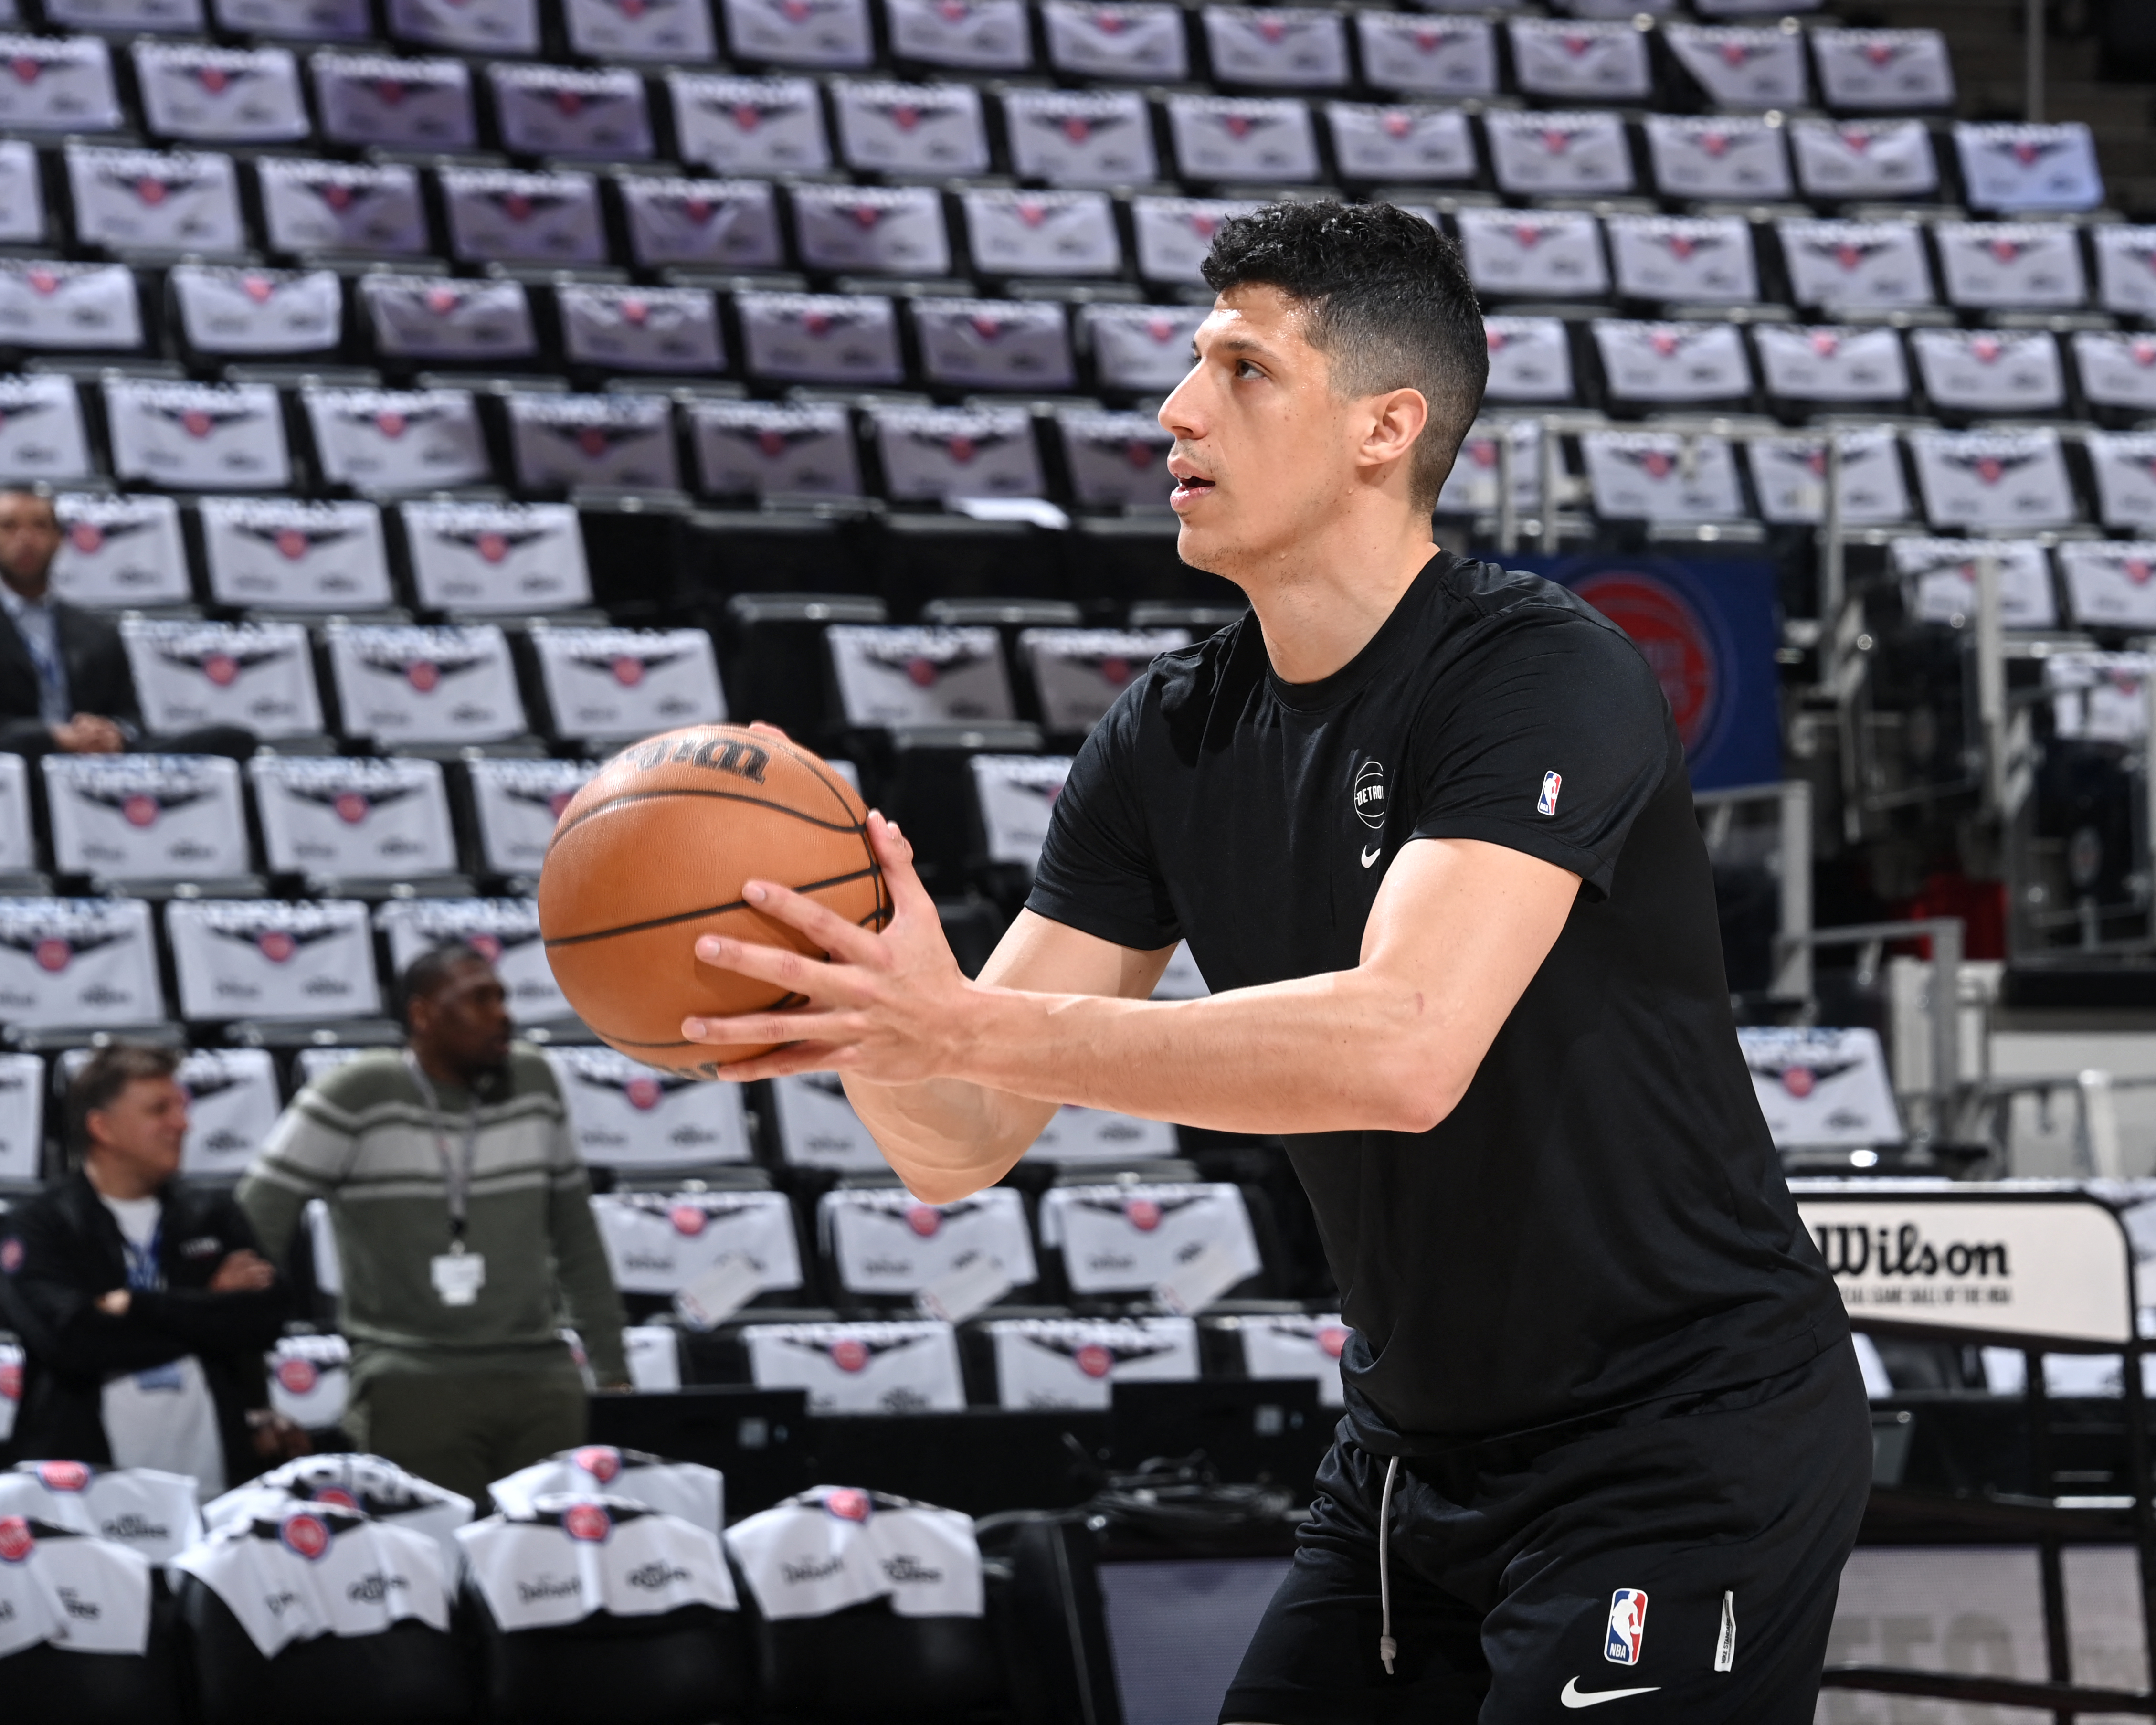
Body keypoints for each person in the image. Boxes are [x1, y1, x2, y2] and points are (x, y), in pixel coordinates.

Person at [680, 203, 1870, 1723]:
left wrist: (964, 1021)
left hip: (1677, 1441)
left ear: (1385, 426)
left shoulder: (1535, 670)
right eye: (1189, 364)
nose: (1175, 408)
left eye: (1241, 370)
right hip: (1411, 1453)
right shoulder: (1166, 732)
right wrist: (859, 1009)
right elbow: (957, 1146)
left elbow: (1399, 1048)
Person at [238, 942, 631, 1506]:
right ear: (421, 1014)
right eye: (478, 999)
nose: (502, 1014)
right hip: (410, 1374)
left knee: (551, 1571)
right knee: (434, 1568)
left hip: (539, 1372)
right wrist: (250, 1375)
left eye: (501, 997)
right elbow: (256, 1220)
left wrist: (612, 1373)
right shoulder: (358, 1093)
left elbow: (576, 1233)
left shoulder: (534, 1080)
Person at [0, 1044, 304, 1493]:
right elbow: (73, 1340)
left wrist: (131, 1306)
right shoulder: (37, 1225)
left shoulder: (213, 1213)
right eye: (160, 1109)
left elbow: (264, 1316)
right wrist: (210, 1304)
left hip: (215, 1478)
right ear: (102, 1127)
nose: (183, 1123)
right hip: (82, 1487)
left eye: (181, 1107)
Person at [0, 485, 250, 760]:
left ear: (60, 538)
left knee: (231, 740)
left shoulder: (97, 631)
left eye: (39, 526)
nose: (26, 538)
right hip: (17, 765)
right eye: (9, 527)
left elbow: (131, 717)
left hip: (97, 764)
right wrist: (53, 738)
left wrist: (114, 732)